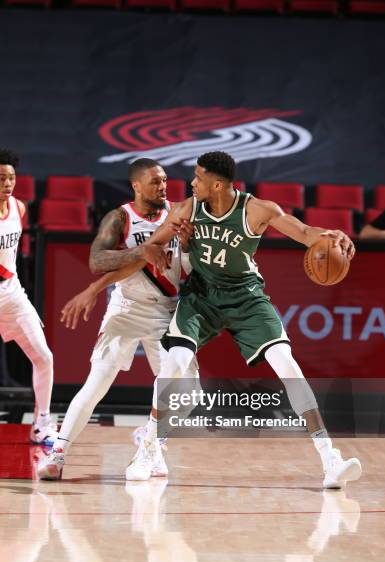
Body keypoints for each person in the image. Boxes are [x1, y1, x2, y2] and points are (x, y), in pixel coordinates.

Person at [131, 151, 362, 489]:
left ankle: (330, 459)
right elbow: (150, 249)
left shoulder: (257, 210)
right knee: (175, 363)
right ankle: (147, 450)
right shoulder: (185, 210)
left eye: (199, 177)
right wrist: (178, 245)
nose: (192, 182)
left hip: (245, 297)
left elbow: (304, 232)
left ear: (219, 184)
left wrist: (333, 236)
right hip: (202, 297)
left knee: (287, 364)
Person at [38, 158, 197, 480]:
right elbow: (97, 260)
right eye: (154, 181)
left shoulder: (179, 213)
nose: (162, 186)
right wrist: (140, 252)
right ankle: (58, 454)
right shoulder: (120, 218)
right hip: (127, 307)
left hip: (168, 310)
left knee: (188, 395)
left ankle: (150, 441)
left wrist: (191, 243)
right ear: (136, 185)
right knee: (97, 382)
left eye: (164, 180)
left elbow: (192, 262)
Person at [0, 149, 56, 445]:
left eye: (11, 178)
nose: (7, 183)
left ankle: (41, 424)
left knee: (43, 356)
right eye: (1, 178)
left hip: (11, 292)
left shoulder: (19, 208)